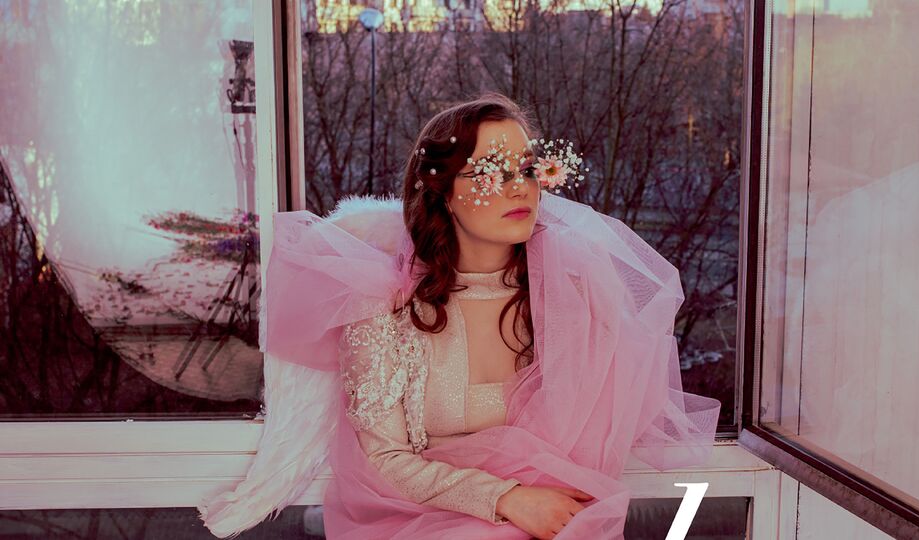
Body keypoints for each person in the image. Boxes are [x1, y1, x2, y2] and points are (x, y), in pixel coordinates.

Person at [198, 93, 720, 540]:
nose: (518, 187)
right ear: (442, 192)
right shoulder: (388, 309)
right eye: (491, 171)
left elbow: (605, 437)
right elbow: (384, 458)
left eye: (527, 169)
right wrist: (506, 498)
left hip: (558, 521)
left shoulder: (574, 300)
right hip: (420, 524)